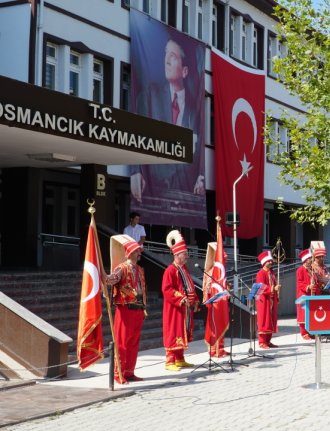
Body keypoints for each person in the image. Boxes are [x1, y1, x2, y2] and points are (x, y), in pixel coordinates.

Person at [132, 38, 204, 204]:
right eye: (166, 55)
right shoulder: (151, 96)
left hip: (185, 188)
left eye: (173, 57)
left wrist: (201, 174)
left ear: (184, 71)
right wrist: (136, 170)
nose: (166, 61)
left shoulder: (194, 110)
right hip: (153, 184)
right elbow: (136, 131)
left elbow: (199, 146)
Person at [106, 236, 146, 383]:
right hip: (125, 309)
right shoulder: (122, 268)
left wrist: (144, 308)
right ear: (130, 253)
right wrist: (105, 277)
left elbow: (142, 289)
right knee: (122, 342)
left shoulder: (140, 270)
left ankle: (129, 372)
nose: (139, 253)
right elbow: (112, 279)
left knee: (134, 342)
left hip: (138, 309)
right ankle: (119, 373)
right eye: (137, 251)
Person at [162, 230, 199, 371]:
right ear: (177, 255)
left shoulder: (184, 269)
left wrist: (194, 300)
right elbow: (167, 289)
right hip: (175, 308)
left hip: (186, 308)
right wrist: (181, 298)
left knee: (182, 332)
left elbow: (190, 286)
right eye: (184, 254)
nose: (187, 257)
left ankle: (180, 358)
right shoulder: (170, 270)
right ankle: (170, 361)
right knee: (174, 332)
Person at [255, 250, 280, 349]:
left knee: (271, 320)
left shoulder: (272, 272)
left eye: (271, 261)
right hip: (264, 300)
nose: (271, 262)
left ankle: (268, 341)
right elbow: (261, 288)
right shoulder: (260, 274)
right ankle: (262, 342)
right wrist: (273, 289)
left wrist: (276, 293)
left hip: (271, 299)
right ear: (264, 262)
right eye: (269, 261)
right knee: (264, 320)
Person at [295, 248, 316, 340]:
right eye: (310, 258)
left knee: (310, 314)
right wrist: (308, 287)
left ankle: (310, 331)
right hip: (303, 295)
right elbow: (300, 283)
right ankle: (304, 333)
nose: (311, 260)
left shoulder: (311, 270)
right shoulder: (300, 270)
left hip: (311, 295)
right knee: (303, 315)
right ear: (306, 260)